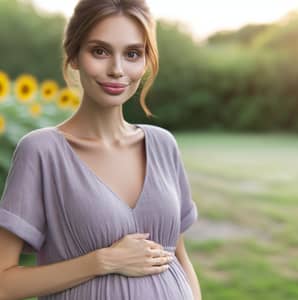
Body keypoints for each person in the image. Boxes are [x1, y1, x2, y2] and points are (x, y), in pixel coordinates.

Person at [0, 0, 202, 299]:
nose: (117, 70)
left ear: (146, 61)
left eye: (132, 54)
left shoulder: (163, 144)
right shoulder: (42, 151)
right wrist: (102, 262)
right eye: (100, 51)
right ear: (74, 56)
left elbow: (179, 257)